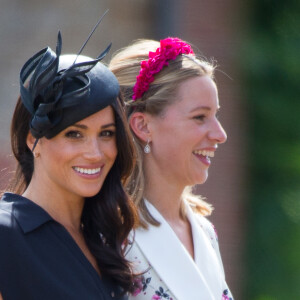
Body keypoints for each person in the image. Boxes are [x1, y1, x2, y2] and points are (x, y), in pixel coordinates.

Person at [0, 31, 138, 300]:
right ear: (33, 140)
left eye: (106, 134)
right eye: (75, 134)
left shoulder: (106, 239)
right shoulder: (5, 235)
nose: (95, 153)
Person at [109, 38, 234, 300]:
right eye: (200, 117)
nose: (220, 134)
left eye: (216, 115)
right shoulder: (109, 234)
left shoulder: (204, 232)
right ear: (143, 126)